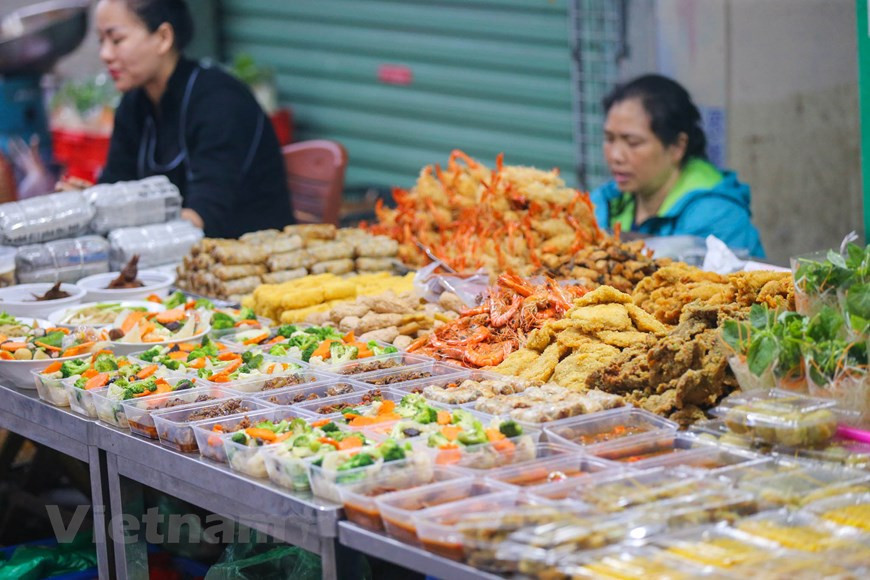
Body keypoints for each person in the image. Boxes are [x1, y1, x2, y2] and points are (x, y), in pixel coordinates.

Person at [93, 0, 294, 238]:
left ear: (163, 38)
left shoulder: (220, 102)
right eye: (101, 41)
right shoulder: (134, 104)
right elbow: (116, 183)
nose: (105, 54)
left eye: (117, 40)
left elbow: (204, 217)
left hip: (248, 257)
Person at [590, 74, 765, 258]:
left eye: (633, 142)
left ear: (677, 146)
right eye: (609, 139)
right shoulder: (606, 201)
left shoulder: (718, 216)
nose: (615, 156)